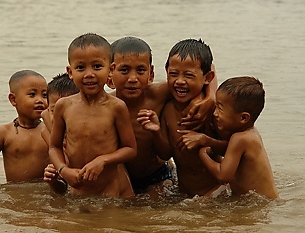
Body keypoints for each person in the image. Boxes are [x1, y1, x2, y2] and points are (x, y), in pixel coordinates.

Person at [107, 36, 218, 197]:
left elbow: (207, 69)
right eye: (124, 70)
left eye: (140, 70)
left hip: (156, 175)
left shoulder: (158, 94)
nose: (133, 78)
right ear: (110, 73)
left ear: (151, 73)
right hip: (123, 177)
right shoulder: (106, 105)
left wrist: (210, 97)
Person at [49, 33, 137, 198]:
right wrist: (63, 170)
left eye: (97, 66)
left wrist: (102, 160)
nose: (89, 74)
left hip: (112, 191)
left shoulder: (116, 107)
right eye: (80, 68)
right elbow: (54, 147)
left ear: (110, 69)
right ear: (70, 71)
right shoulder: (64, 106)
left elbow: (130, 149)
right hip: (79, 190)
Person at [137, 38, 225, 198]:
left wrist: (205, 140)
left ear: (207, 77)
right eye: (173, 74)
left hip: (216, 189)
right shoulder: (168, 109)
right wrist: (156, 131)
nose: (180, 81)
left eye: (189, 75)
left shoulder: (211, 111)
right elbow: (165, 154)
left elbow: (232, 149)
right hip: (184, 192)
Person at [198, 76, 279, 199]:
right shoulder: (251, 133)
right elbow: (230, 153)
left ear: (243, 118)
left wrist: (202, 154)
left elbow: (223, 176)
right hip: (265, 200)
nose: (215, 113)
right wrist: (209, 141)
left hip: (259, 204)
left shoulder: (240, 138)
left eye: (220, 108)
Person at [0, 70, 49, 182]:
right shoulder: (4, 132)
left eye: (45, 95)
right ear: (13, 99)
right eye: (32, 94)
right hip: (15, 193)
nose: (40, 100)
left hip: (44, 193)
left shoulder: (50, 129)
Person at [41, 73, 79, 194]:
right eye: (54, 110)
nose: (60, 116)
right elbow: (62, 188)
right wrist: (53, 180)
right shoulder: (48, 134)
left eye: (67, 109)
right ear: (48, 110)